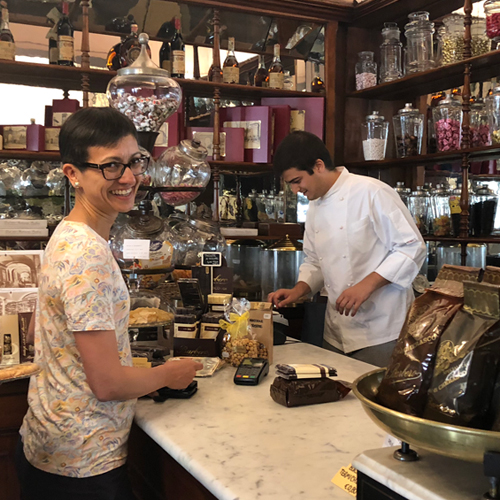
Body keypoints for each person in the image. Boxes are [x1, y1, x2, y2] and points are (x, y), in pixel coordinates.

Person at [16, 107, 202, 500]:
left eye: (135, 161)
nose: (130, 178)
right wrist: (169, 373)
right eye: (111, 166)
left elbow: (39, 331)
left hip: (49, 440)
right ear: (72, 174)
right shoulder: (88, 255)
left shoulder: (67, 232)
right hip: (83, 461)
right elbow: (108, 383)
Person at [268, 131, 426, 367]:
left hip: (382, 330)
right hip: (336, 330)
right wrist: (299, 290)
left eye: (297, 181)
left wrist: (366, 285)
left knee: (374, 401)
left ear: (318, 166)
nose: (295, 190)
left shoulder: (372, 192)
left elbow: (412, 247)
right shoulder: (314, 206)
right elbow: (315, 261)